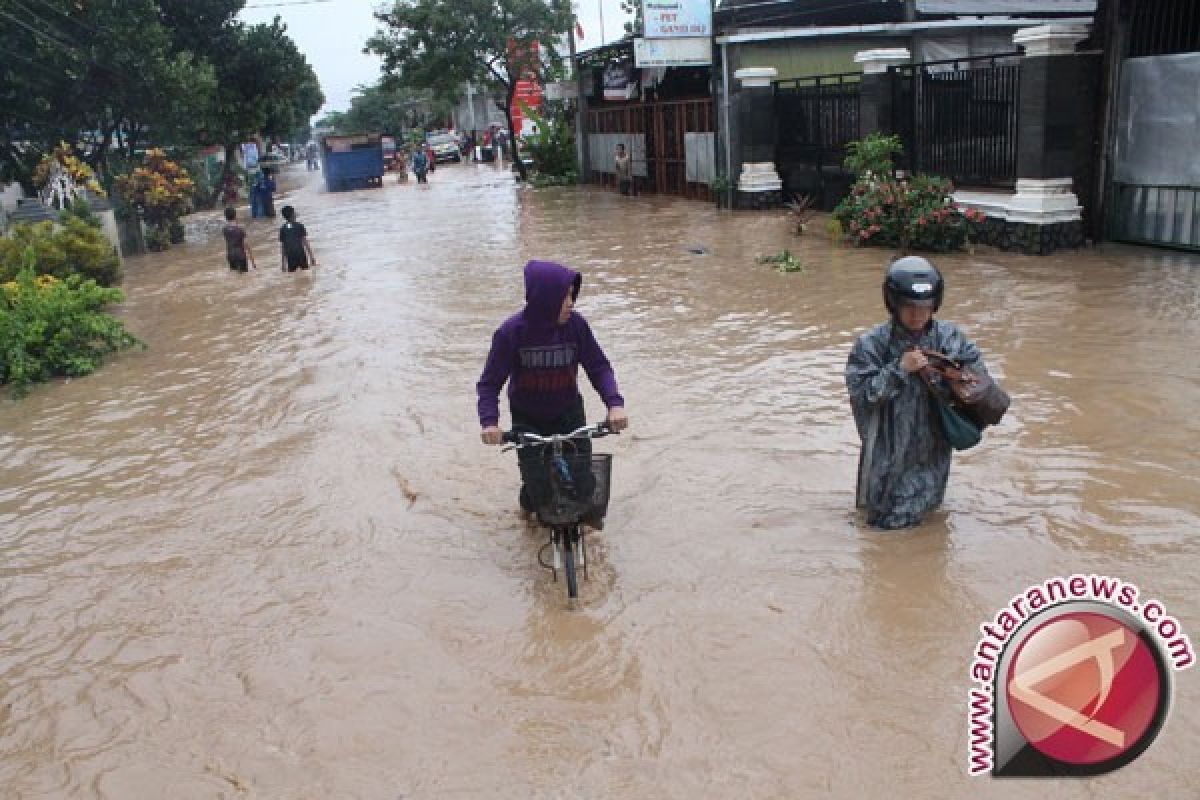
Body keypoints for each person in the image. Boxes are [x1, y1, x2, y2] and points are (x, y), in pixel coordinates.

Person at [477, 260, 630, 526]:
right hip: (528, 418)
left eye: (572, 295)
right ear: (546, 299)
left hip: (568, 411)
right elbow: (489, 384)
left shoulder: (576, 326)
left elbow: (598, 366)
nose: (571, 303)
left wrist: (614, 404)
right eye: (565, 296)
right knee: (539, 492)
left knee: (585, 484)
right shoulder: (511, 333)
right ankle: (527, 508)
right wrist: (490, 423)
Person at [845, 256, 992, 530]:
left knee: (929, 523)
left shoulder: (949, 338)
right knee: (885, 526)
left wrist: (955, 376)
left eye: (924, 307)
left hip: (933, 449)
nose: (917, 315)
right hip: (889, 453)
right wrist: (899, 369)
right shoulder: (871, 345)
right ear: (894, 304)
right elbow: (863, 394)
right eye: (909, 307)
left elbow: (978, 374)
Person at [278, 205, 318, 272]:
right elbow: (305, 242)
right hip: (300, 253)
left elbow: (283, 247)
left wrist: (283, 264)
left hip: (290, 255)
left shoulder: (283, 229)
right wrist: (312, 257)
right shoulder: (299, 226)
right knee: (305, 272)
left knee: (292, 274)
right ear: (293, 214)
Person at [222, 206, 256, 272]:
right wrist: (253, 262)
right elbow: (247, 245)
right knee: (244, 278)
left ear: (225, 217)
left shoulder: (224, 230)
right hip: (240, 256)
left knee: (235, 276)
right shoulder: (240, 230)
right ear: (235, 215)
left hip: (230, 256)